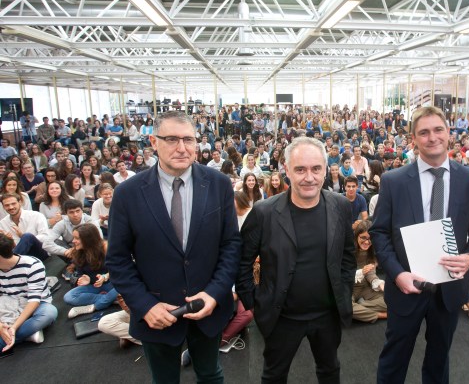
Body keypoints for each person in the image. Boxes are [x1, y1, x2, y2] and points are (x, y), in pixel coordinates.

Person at [106, 111, 242, 383]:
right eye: (171, 139)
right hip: (157, 313)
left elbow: (231, 245)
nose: (182, 148)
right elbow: (118, 260)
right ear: (153, 142)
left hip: (208, 308)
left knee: (210, 374)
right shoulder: (128, 193)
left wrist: (215, 293)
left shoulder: (218, 184)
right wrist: (145, 306)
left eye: (188, 139)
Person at [370, 106, 469, 383]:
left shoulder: (468, 178)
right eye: (424, 132)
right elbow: (379, 234)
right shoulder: (394, 181)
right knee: (394, 360)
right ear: (414, 139)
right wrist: (397, 274)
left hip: (449, 288)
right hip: (406, 287)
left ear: (449, 134)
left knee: (439, 361)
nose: (432, 137)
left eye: (438, 130)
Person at [236, 136, 356, 383]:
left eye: (316, 169)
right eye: (300, 169)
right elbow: (241, 261)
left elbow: (347, 255)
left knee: (330, 370)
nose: (309, 177)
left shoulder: (341, 206)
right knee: (274, 375)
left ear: (325, 169)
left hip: (327, 315)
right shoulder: (264, 212)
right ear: (286, 170)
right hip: (282, 318)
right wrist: (254, 303)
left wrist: (342, 291)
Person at [0, 233, 57, 352]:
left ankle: (9, 337)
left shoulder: (32, 264)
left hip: (36, 304)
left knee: (49, 313)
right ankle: (27, 334)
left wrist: (14, 328)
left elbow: (34, 301)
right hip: (7, 305)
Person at [63, 224, 118, 319]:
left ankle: (95, 306)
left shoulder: (105, 247)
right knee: (68, 297)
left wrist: (105, 277)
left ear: (87, 239)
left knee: (125, 287)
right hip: (94, 286)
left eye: (77, 238)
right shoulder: (77, 252)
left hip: (113, 284)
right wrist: (84, 279)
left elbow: (119, 270)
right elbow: (79, 274)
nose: (73, 241)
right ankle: (110, 299)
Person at [352, 220, 387, 323]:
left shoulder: (372, 251)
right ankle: (380, 315)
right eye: (363, 237)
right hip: (349, 289)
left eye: (370, 238)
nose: (367, 242)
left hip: (366, 288)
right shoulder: (348, 251)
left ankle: (362, 307)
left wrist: (379, 284)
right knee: (345, 306)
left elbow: (370, 273)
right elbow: (342, 276)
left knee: (391, 299)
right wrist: (361, 272)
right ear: (356, 236)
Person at [0, 193, 49, 261]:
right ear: (3, 207)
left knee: (27, 236)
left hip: (39, 253)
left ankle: (9, 262)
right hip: (19, 256)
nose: (11, 207)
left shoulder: (36, 215)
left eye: (13, 203)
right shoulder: (2, 223)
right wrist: (9, 241)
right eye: (7, 205)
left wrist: (22, 237)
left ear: (20, 202)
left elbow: (45, 237)